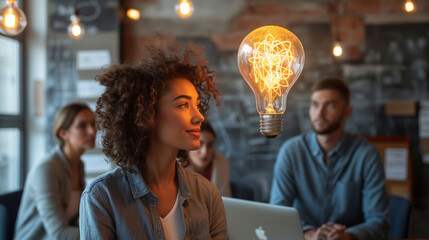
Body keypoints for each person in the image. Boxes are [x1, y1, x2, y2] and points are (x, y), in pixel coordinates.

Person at [79, 37, 227, 239]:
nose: (199, 116)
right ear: (148, 114)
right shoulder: (101, 197)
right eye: (183, 105)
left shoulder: (208, 195)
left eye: (197, 105)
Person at [269, 78, 389, 240]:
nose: (320, 113)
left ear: (347, 112)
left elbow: (379, 221)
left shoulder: (366, 155)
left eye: (330, 105)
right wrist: (309, 234)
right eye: (315, 104)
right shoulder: (291, 152)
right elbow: (277, 212)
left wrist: (347, 236)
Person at [14, 102, 96, 240]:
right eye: (82, 126)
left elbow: (78, 219)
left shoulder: (79, 164)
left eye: (93, 124)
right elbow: (59, 234)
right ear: (63, 133)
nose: (92, 131)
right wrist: (106, 233)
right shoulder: (46, 169)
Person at [187, 120, 232, 197]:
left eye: (210, 145)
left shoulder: (221, 163)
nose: (205, 152)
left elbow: (226, 200)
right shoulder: (176, 166)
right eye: (199, 144)